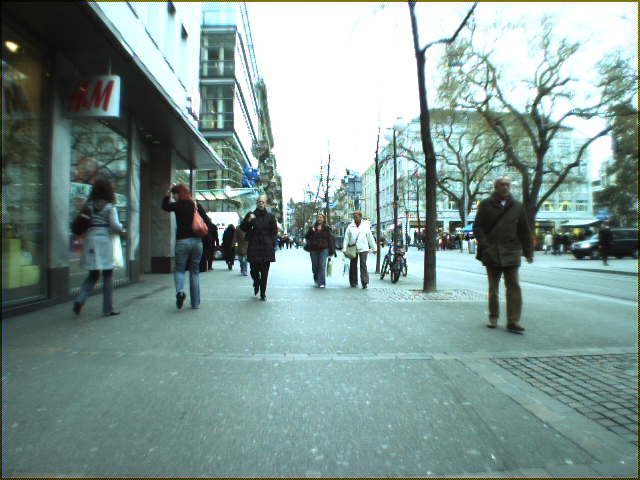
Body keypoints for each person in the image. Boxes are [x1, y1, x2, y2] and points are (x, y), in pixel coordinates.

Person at [473, 176, 534, 333]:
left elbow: (524, 231)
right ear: (496, 187)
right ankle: (493, 316)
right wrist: (486, 245)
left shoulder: (517, 207)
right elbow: (477, 227)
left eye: (507, 185)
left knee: (514, 286)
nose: (504, 187)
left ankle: (513, 321)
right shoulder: (486, 204)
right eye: (501, 185)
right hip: (492, 252)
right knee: (493, 287)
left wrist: (528, 251)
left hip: (511, 251)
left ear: (510, 187)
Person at [73, 178, 125, 316]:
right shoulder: (110, 207)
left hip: (90, 240)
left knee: (93, 273)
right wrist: (122, 228)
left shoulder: (88, 205)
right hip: (104, 242)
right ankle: (108, 308)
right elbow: (115, 226)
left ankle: (80, 299)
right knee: (108, 273)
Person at [162, 183, 214, 310]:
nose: (174, 197)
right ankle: (195, 303)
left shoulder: (176, 206)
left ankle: (180, 292)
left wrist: (167, 192)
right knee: (194, 272)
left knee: (179, 269)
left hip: (182, 242)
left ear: (178, 194)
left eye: (175, 194)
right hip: (196, 242)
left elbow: (164, 206)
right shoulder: (194, 205)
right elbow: (207, 221)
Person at [240, 195, 278, 301]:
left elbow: (274, 231)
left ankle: (263, 293)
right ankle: (256, 283)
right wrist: (249, 220)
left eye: (263, 202)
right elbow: (243, 228)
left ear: (266, 204)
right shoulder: (251, 215)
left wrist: (273, 243)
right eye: (259, 202)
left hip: (266, 247)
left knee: (265, 272)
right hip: (254, 247)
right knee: (254, 271)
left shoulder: (270, 216)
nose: (261, 204)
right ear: (257, 203)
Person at [343, 210, 377, 289]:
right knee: (353, 265)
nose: (355, 219)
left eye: (356, 217)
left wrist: (374, 248)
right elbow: (346, 239)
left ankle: (364, 282)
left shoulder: (365, 226)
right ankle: (353, 282)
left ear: (360, 217)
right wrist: (344, 249)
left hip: (363, 248)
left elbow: (370, 238)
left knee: (363, 264)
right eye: (354, 217)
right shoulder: (350, 227)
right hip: (353, 248)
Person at [304, 213, 336, 288]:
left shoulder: (327, 229)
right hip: (314, 249)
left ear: (324, 219)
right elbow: (306, 236)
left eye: (321, 217)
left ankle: (321, 282)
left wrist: (332, 251)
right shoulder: (313, 228)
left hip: (324, 249)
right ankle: (316, 278)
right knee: (315, 266)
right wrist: (311, 231)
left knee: (322, 266)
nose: (319, 219)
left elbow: (330, 240)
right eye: (318, 217)